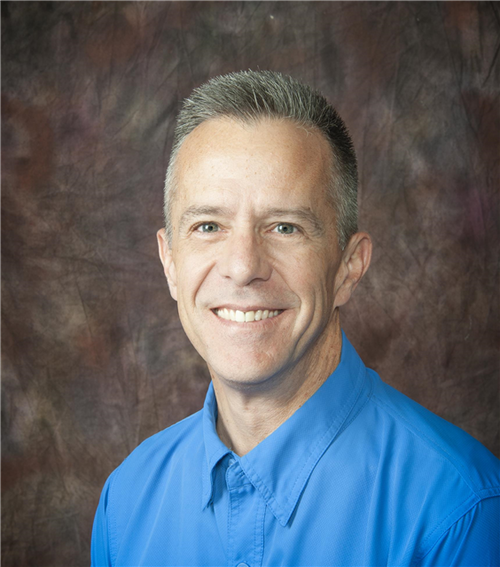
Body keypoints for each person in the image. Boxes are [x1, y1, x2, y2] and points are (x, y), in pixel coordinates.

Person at [91, 71, 499, 567]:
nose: (243, 266)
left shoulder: (458, 514)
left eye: (285, 227)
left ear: (349, 267)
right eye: (208, 225)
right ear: (170, 262)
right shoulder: (126, 503)